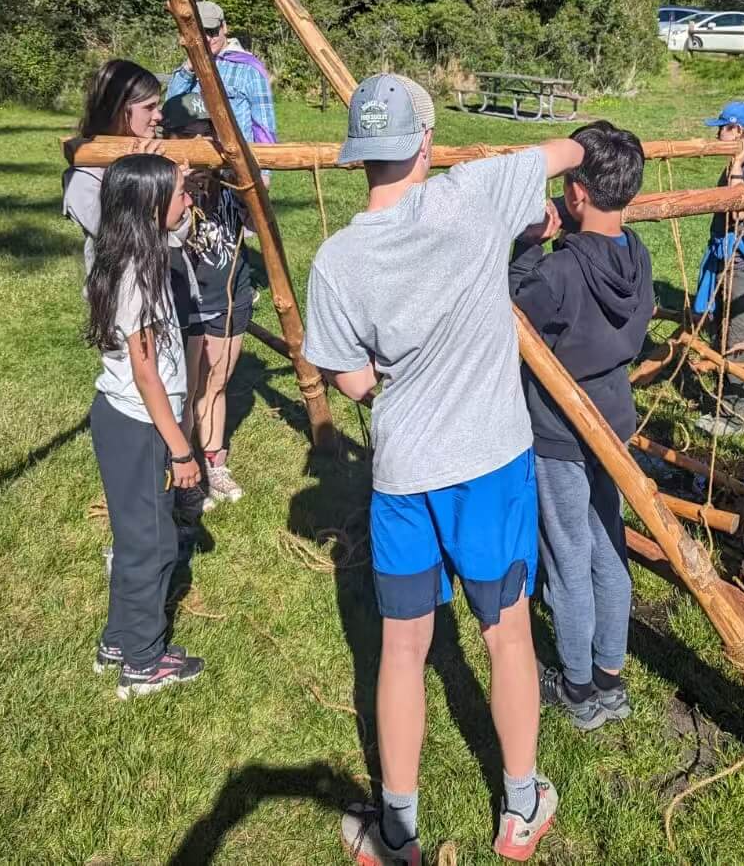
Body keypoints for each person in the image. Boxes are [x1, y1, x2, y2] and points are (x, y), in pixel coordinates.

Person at [303, 74, 585, 866]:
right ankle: (522, 807)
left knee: (399, 646)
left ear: (359, 153)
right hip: (490, 463)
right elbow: (570, 150)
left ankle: (397, 828)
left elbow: (350, 377)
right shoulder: (477, 195)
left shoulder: (336, 260)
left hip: (403, 471)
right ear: (426, 142)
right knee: (507, 634)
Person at [509, 121, 652, 734]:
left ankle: (577, 685)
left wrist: (528, 244)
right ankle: (611, 675)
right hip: (614, 417)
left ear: (575, 195)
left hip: (562, 429)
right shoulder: (638, 254)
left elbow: (513, 306)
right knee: (607, 540)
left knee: (568, 553)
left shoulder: (560, 271)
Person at [83, 153, 206, 699]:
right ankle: (143, 660)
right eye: (180, 193)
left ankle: (118, 639)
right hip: (139, 423)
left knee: (136, 536)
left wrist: (181, 171)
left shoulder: (135, 252)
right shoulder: (138, 275)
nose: (189, 201)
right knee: (153, 545)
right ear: (151, 205)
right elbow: (147, 373)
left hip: (129, 419)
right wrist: (181, 450)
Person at [161, 91, 257, 508]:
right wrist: (181, 186)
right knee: (186, 388)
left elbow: (257, 221)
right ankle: (183, 470)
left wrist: (240, 183)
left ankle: (214, 460)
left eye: (208, 134)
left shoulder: (231, 181)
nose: (201, 145)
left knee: (218, 382)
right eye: (189, 135)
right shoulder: (166, 188)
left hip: (232, 292)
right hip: (190, 299)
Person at [692, 100, 744, 438]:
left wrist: (739, 165)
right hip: (728, 255)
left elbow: (741, 212)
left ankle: (735, 416)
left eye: (723, 128)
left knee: (741, 336)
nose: (718, 133)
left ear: (739, 131)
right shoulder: (740, 161)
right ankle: (724, 401)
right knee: (723, 326)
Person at [63, 58, 166, 274]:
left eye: (158, 105)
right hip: (118, 299)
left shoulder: (157, 155)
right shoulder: (83, 179)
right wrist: (148, 179)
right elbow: (118, 239)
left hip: (165, 293)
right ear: (119, 110)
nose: (159, 116)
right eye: (149, 107)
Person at [164, 0, 278, 148]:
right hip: (196, 159)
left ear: (224, 27)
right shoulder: (191, 67)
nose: (207, 39)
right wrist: (188, 68)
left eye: (212, 31)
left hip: (236, 162)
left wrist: (264, 168)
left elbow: (264, 123)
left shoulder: (247, 68)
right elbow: (171, 107)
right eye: (200, 32)